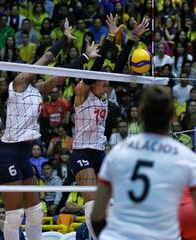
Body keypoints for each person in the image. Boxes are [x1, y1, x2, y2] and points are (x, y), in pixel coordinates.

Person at [0, 19, 99, 240]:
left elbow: (62, 74)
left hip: (23, 155)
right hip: (7, 155)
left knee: (36, 212)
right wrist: (64, 39)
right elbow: (47, 58)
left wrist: (86, 57)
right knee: (14, 216)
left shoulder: (37, 89)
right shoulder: (18, 85)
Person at [91, 85, 196, 240]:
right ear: (173, 116)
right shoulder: (187, 159)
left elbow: (97, 217)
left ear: (140, 114)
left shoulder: (117, 153)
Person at [69, 14, 149, 240]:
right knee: (92, 202)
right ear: (93, 82)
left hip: (100, 152)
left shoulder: (103, 92)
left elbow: (120, 65)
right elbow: (95, 69)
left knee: (111, 202)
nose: (106, 88)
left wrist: (133, 39)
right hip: (82, 152)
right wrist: (109, 38)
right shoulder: (82, 93)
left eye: (107, 85)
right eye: (103, 84)